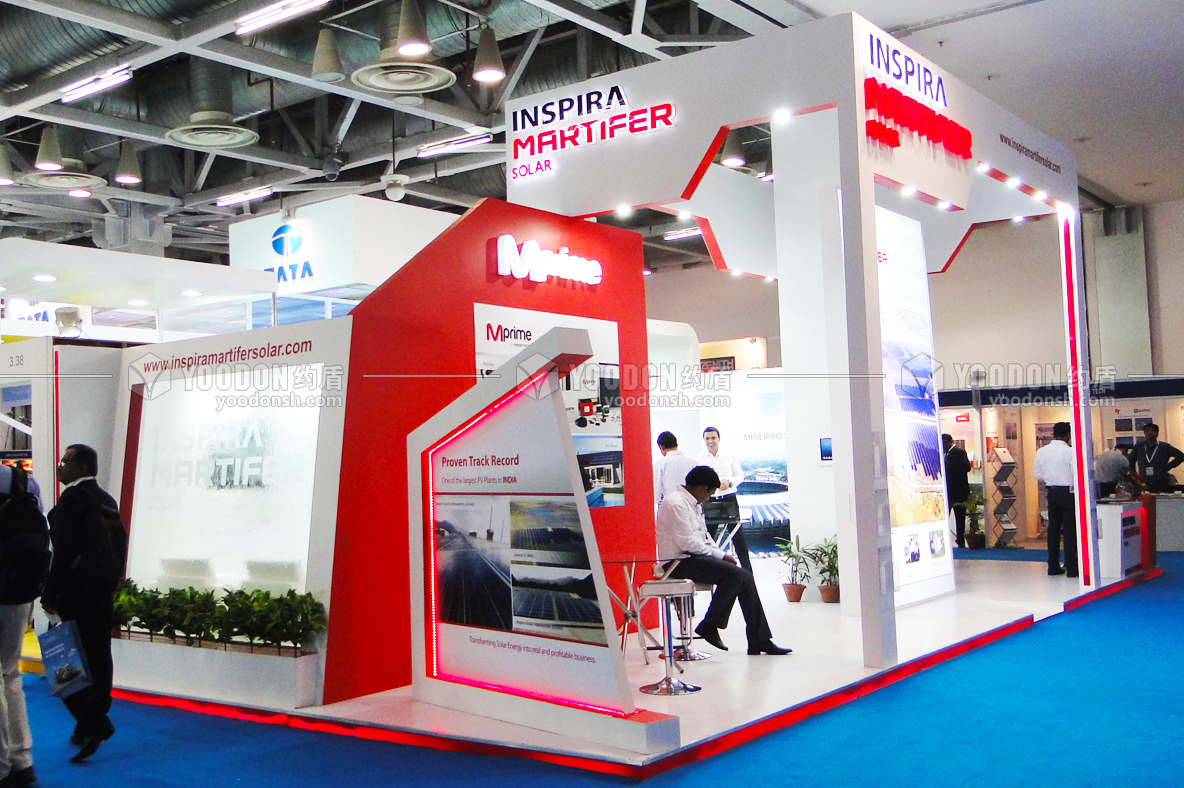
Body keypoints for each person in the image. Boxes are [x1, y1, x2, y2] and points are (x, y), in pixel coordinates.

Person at [42, 445, 126, 763]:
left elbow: (63, 554)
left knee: (62, 661)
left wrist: (51, 594)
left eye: (65, 462)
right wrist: (110, 582)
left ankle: (93, 724)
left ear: (82, 468)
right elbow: (119, 544)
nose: (59, 467)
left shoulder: (72, 499)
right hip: (101, 594)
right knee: (98, 658)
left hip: (74, 595)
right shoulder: (107, 499)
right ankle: (88, 723)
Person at [656, 465, 790, 655]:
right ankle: (710, 625)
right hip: (677, 562)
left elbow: (704, 537)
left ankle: (759, 639)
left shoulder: (692, 503)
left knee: (745, 576)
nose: (709, 498)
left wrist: (719, 554)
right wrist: (720, 556)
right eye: (710, 493)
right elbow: (688, 542)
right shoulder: (676, 504)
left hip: (692, 557)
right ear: (702, 488)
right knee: (735, 575)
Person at [0, 464, 43, 787]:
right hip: (19, 592)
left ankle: (2, 766)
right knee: (10, 672)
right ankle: (22, 760)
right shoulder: (23, 480)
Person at [695, 427, 752, 572]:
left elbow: (740, 475)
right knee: (708, 539)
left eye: (713, 438)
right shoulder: (699, 459)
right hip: (710, 501)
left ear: (719, 439)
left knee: (738, 539)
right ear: (704, 440)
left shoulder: (729, 454)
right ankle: (708, 574)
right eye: (707, 438)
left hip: (729, 499)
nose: (710, 441)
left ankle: (748, 575)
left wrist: (730, 482)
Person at [1032, 422, 1078, 578]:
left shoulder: (1041, 451)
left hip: (1052, 492)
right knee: (1070, 530)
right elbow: (1075, 473)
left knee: (1053, 529)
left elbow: (1037, 474)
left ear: (1053, 434)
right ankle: (1072, 567)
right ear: (1068, 435)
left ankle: (1053, 565)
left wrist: (1050, 477)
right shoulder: (1070, 451)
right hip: (1069, 492)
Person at [1128, 423, 1184, 493]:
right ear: (1144, 433)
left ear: (1157, 433)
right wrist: (1134, 475)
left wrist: (1168, 467)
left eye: (1152, 431)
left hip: (1161, 481)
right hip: (1144, 482)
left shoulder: (1164, 447)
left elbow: (1181, 456)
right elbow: (1131, 460)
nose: (1149, 433)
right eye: (1147, 431)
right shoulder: (1139, 447)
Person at [653, 431, 698, 507]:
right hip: (690, 506)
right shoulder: (693, 463)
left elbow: (656, 493)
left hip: (669, 506)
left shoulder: (659, 464)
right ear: (676, 445)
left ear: (661, 447)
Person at [942, 434, 972, 547]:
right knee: (945, 516)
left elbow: (966, 467)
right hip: (947, 491)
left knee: (960, 517)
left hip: (959, 491)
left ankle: (960, 540)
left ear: (950, 442)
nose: (943, 446)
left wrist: (948, 464)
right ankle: (944, 540)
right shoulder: (943, 454)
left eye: (944, 443)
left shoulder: (959, 453)